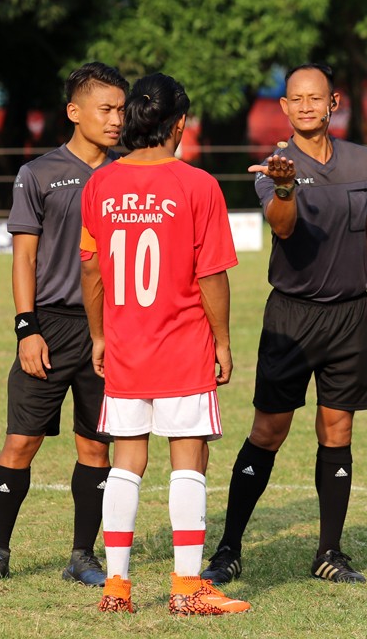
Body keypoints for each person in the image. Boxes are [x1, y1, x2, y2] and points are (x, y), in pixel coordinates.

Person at [201, 63, 367, 586]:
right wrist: (286, 188)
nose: (308, 106)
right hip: (291, 316)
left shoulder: (362, 160)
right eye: (297, 99)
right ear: (285, 108)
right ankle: (228, 548)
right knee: (269, 429)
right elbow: (283, 228)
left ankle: (329, 551)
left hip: (348, 316)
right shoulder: (275, 166)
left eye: (317, 97)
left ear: (333, 101)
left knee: (337, 429)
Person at [80, 72, 250, 615]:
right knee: (188, 462)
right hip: (182, 345)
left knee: (126, 462)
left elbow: (90, 272)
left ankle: (117, 587)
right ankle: (186, 587)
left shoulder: (100, 185)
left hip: (126, 344)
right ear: (179, 123)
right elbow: (212, 277)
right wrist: (223, 341)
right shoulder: (198, 185)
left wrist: (100, 335)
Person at [0, 62, 128, 586]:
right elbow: (23, 259)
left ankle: (83, 555)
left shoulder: (128, 171)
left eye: (121, 109)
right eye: (105, 109)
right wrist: (25, 328)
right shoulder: (38, 173)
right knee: (21, 441)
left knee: (95, 445)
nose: (116, 119)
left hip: (110, 329)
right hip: (50, 326)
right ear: (74, 112)